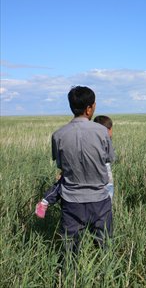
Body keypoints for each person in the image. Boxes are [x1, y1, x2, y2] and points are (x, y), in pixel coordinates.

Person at [50, 86, 115, 253]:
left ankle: (69, 278)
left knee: (70, 250)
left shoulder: (58, 135)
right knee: (104, 248)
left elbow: (60, 165)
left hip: (71, 200)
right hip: (99, 199)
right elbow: (108, 159)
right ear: (88, 109)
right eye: (93, 105)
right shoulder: (102, 132)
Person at [35, 115, 116, 218]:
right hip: (98, 184)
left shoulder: (94, 138)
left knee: (62, 184)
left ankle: (45, 202)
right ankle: (45, 202)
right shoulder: (99, 139)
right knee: (62, 184)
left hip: (96, 184)